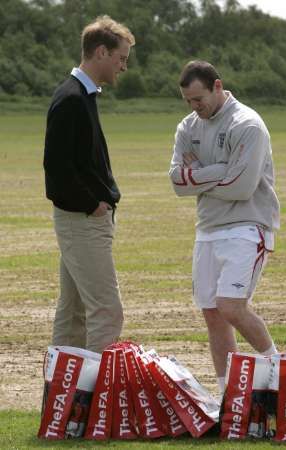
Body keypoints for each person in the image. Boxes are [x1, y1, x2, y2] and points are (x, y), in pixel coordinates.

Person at [169, 60, 280, 396]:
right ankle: (228, 395)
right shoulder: (187, 127)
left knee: (231, 306)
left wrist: (199, 175)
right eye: (188, 100)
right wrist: (221, 170)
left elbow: (241, 187)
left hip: (247, 226)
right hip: (207, 228)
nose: (194, 107)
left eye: (199, 98)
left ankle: (279, 369)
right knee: (213, 314)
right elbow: (176, 180)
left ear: (217, 87)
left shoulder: (248, 125)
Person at [44, 16, 135, 353]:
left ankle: (62, 401)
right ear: (100, 52)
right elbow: (56, 168)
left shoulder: (83, 95)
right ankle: (97, 402)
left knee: (73, 315)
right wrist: (92, 204)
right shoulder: (71, 98)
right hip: (82, 220)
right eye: (121, 58)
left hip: (84, 220)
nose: (123, 67)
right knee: (107, 313)